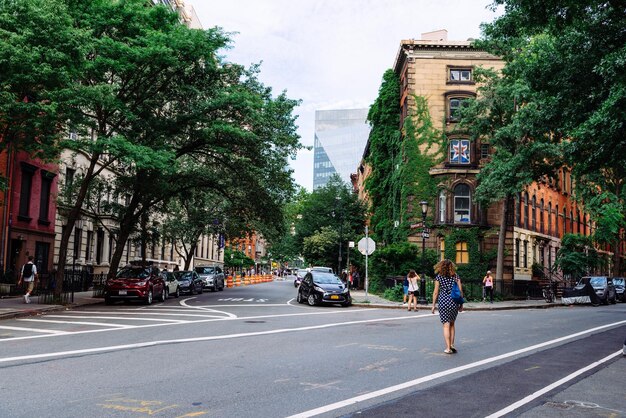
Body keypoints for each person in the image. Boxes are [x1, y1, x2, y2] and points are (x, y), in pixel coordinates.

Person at [431, 259, 464, 354]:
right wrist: (461, 304)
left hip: (443, 301)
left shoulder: (439, 277)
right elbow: (460, 291)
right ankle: (452, 345)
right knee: (452, 324)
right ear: (451, 266)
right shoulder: (456, 276)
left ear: (441, 267)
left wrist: (433, 305)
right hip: (454, 302)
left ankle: (448, 348)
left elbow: (436, 292)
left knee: (446, 325)